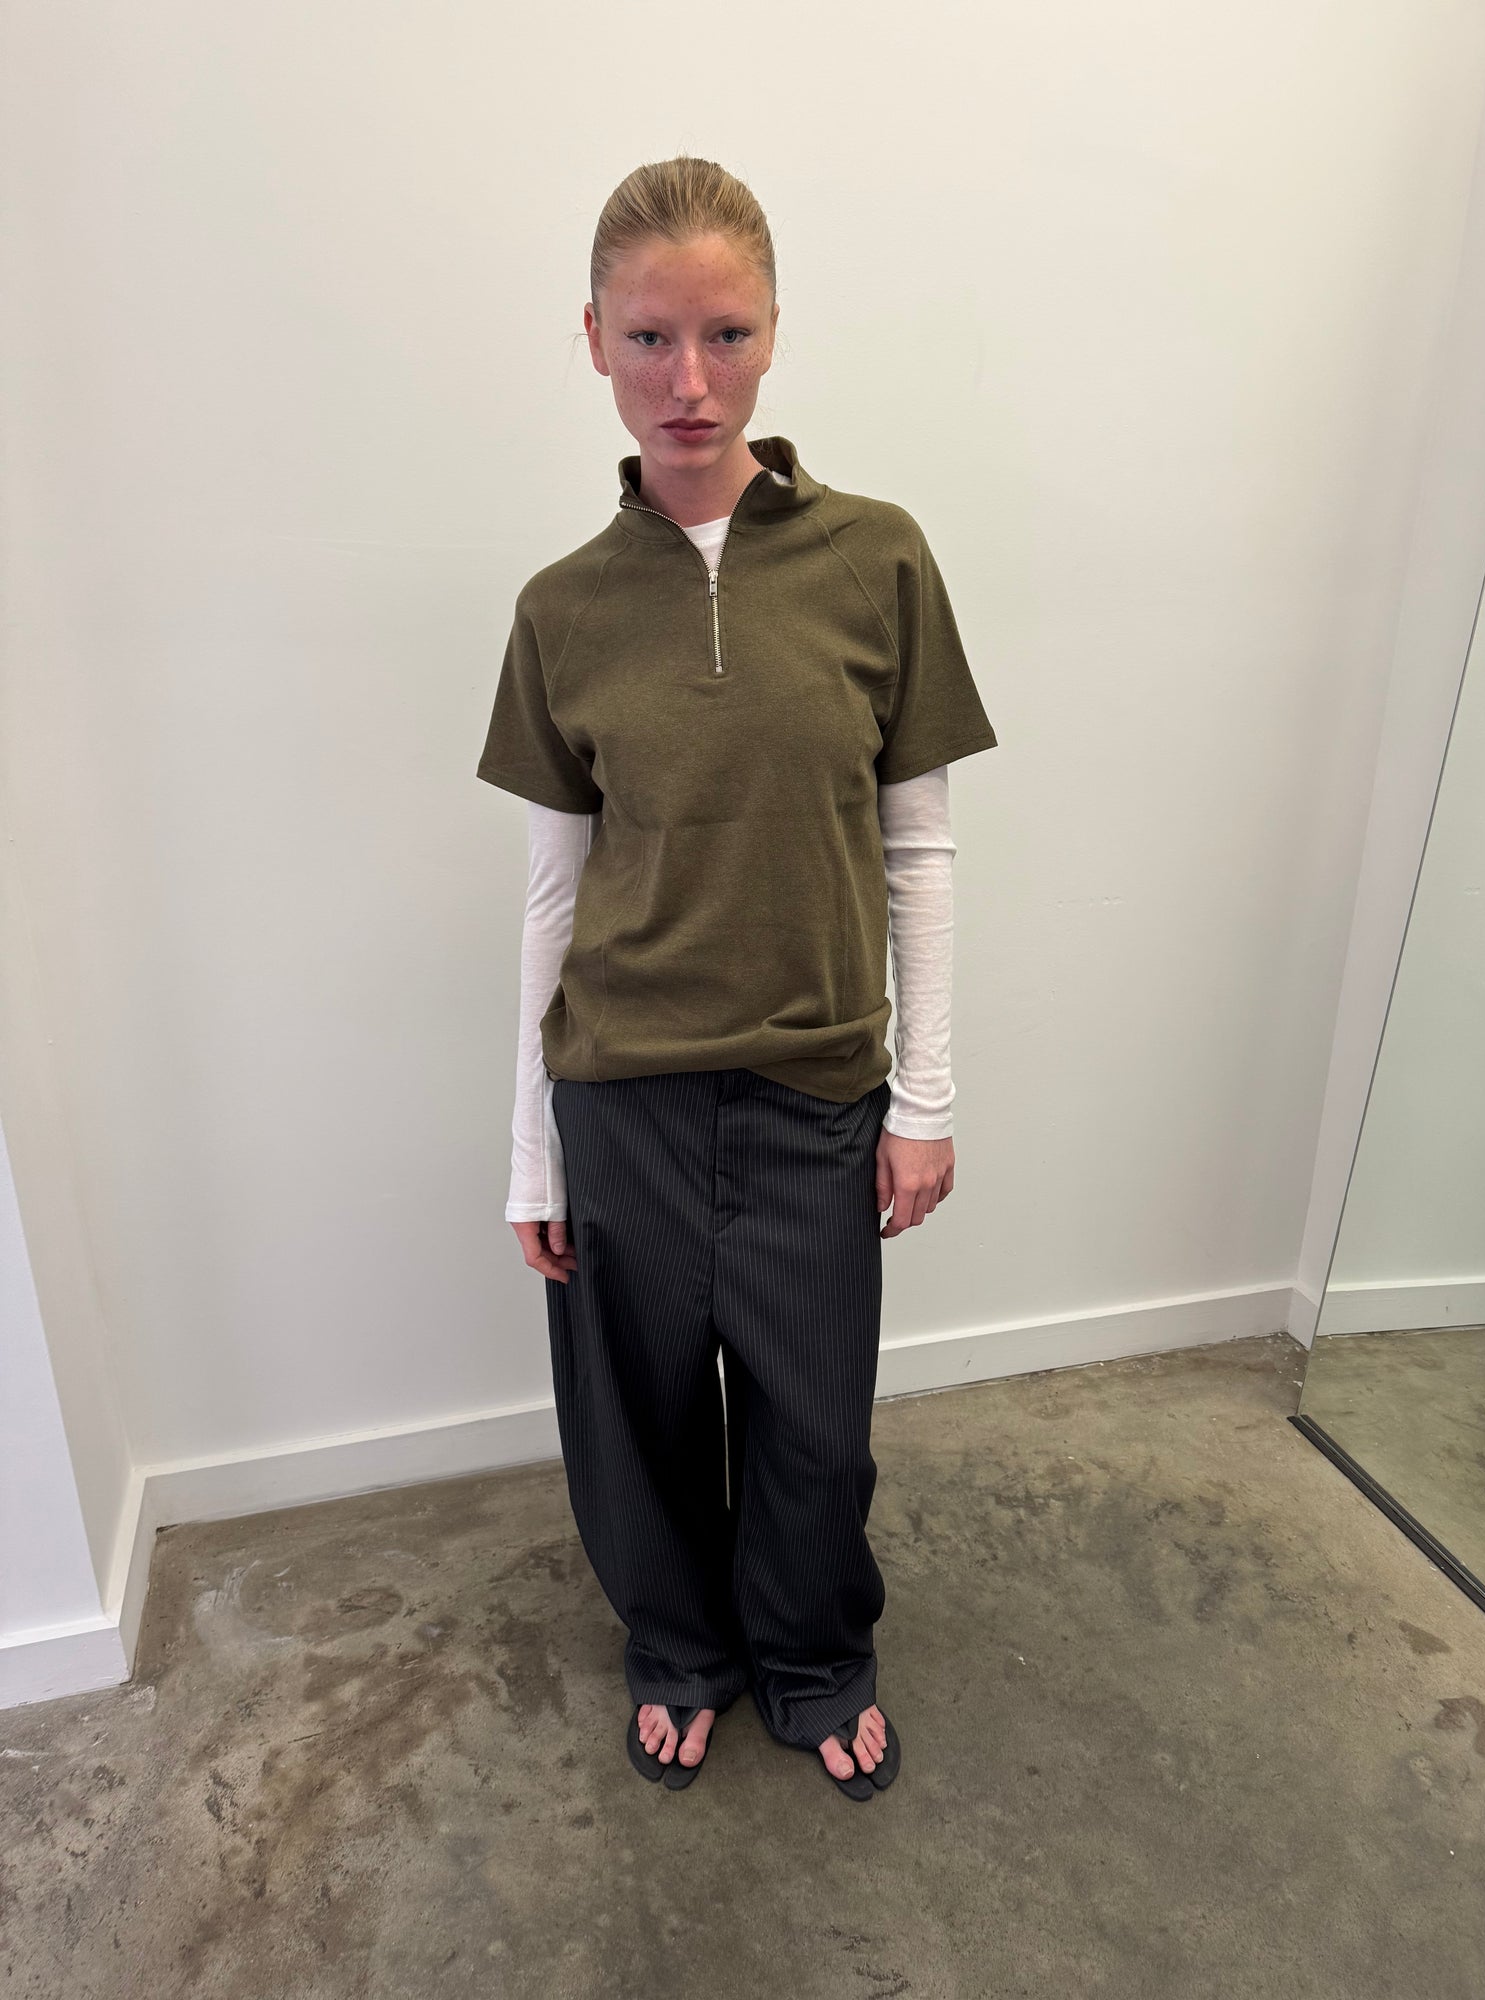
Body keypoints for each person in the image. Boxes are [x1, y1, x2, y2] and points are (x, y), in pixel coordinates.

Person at [476, 156, 998, 1801]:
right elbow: (552, 895)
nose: (688, 380)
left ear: (773, 334)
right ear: (594, 340)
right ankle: (682, 1653)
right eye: (649, 337)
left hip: (816, 1092)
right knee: (634, 1430)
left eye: (725, 334)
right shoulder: (562, 611)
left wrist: (925, 1098)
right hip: (619, 1096)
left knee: (814, 1429)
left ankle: (813, 1657)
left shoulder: (877, 560)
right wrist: (531, 1154)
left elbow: (920, 851)